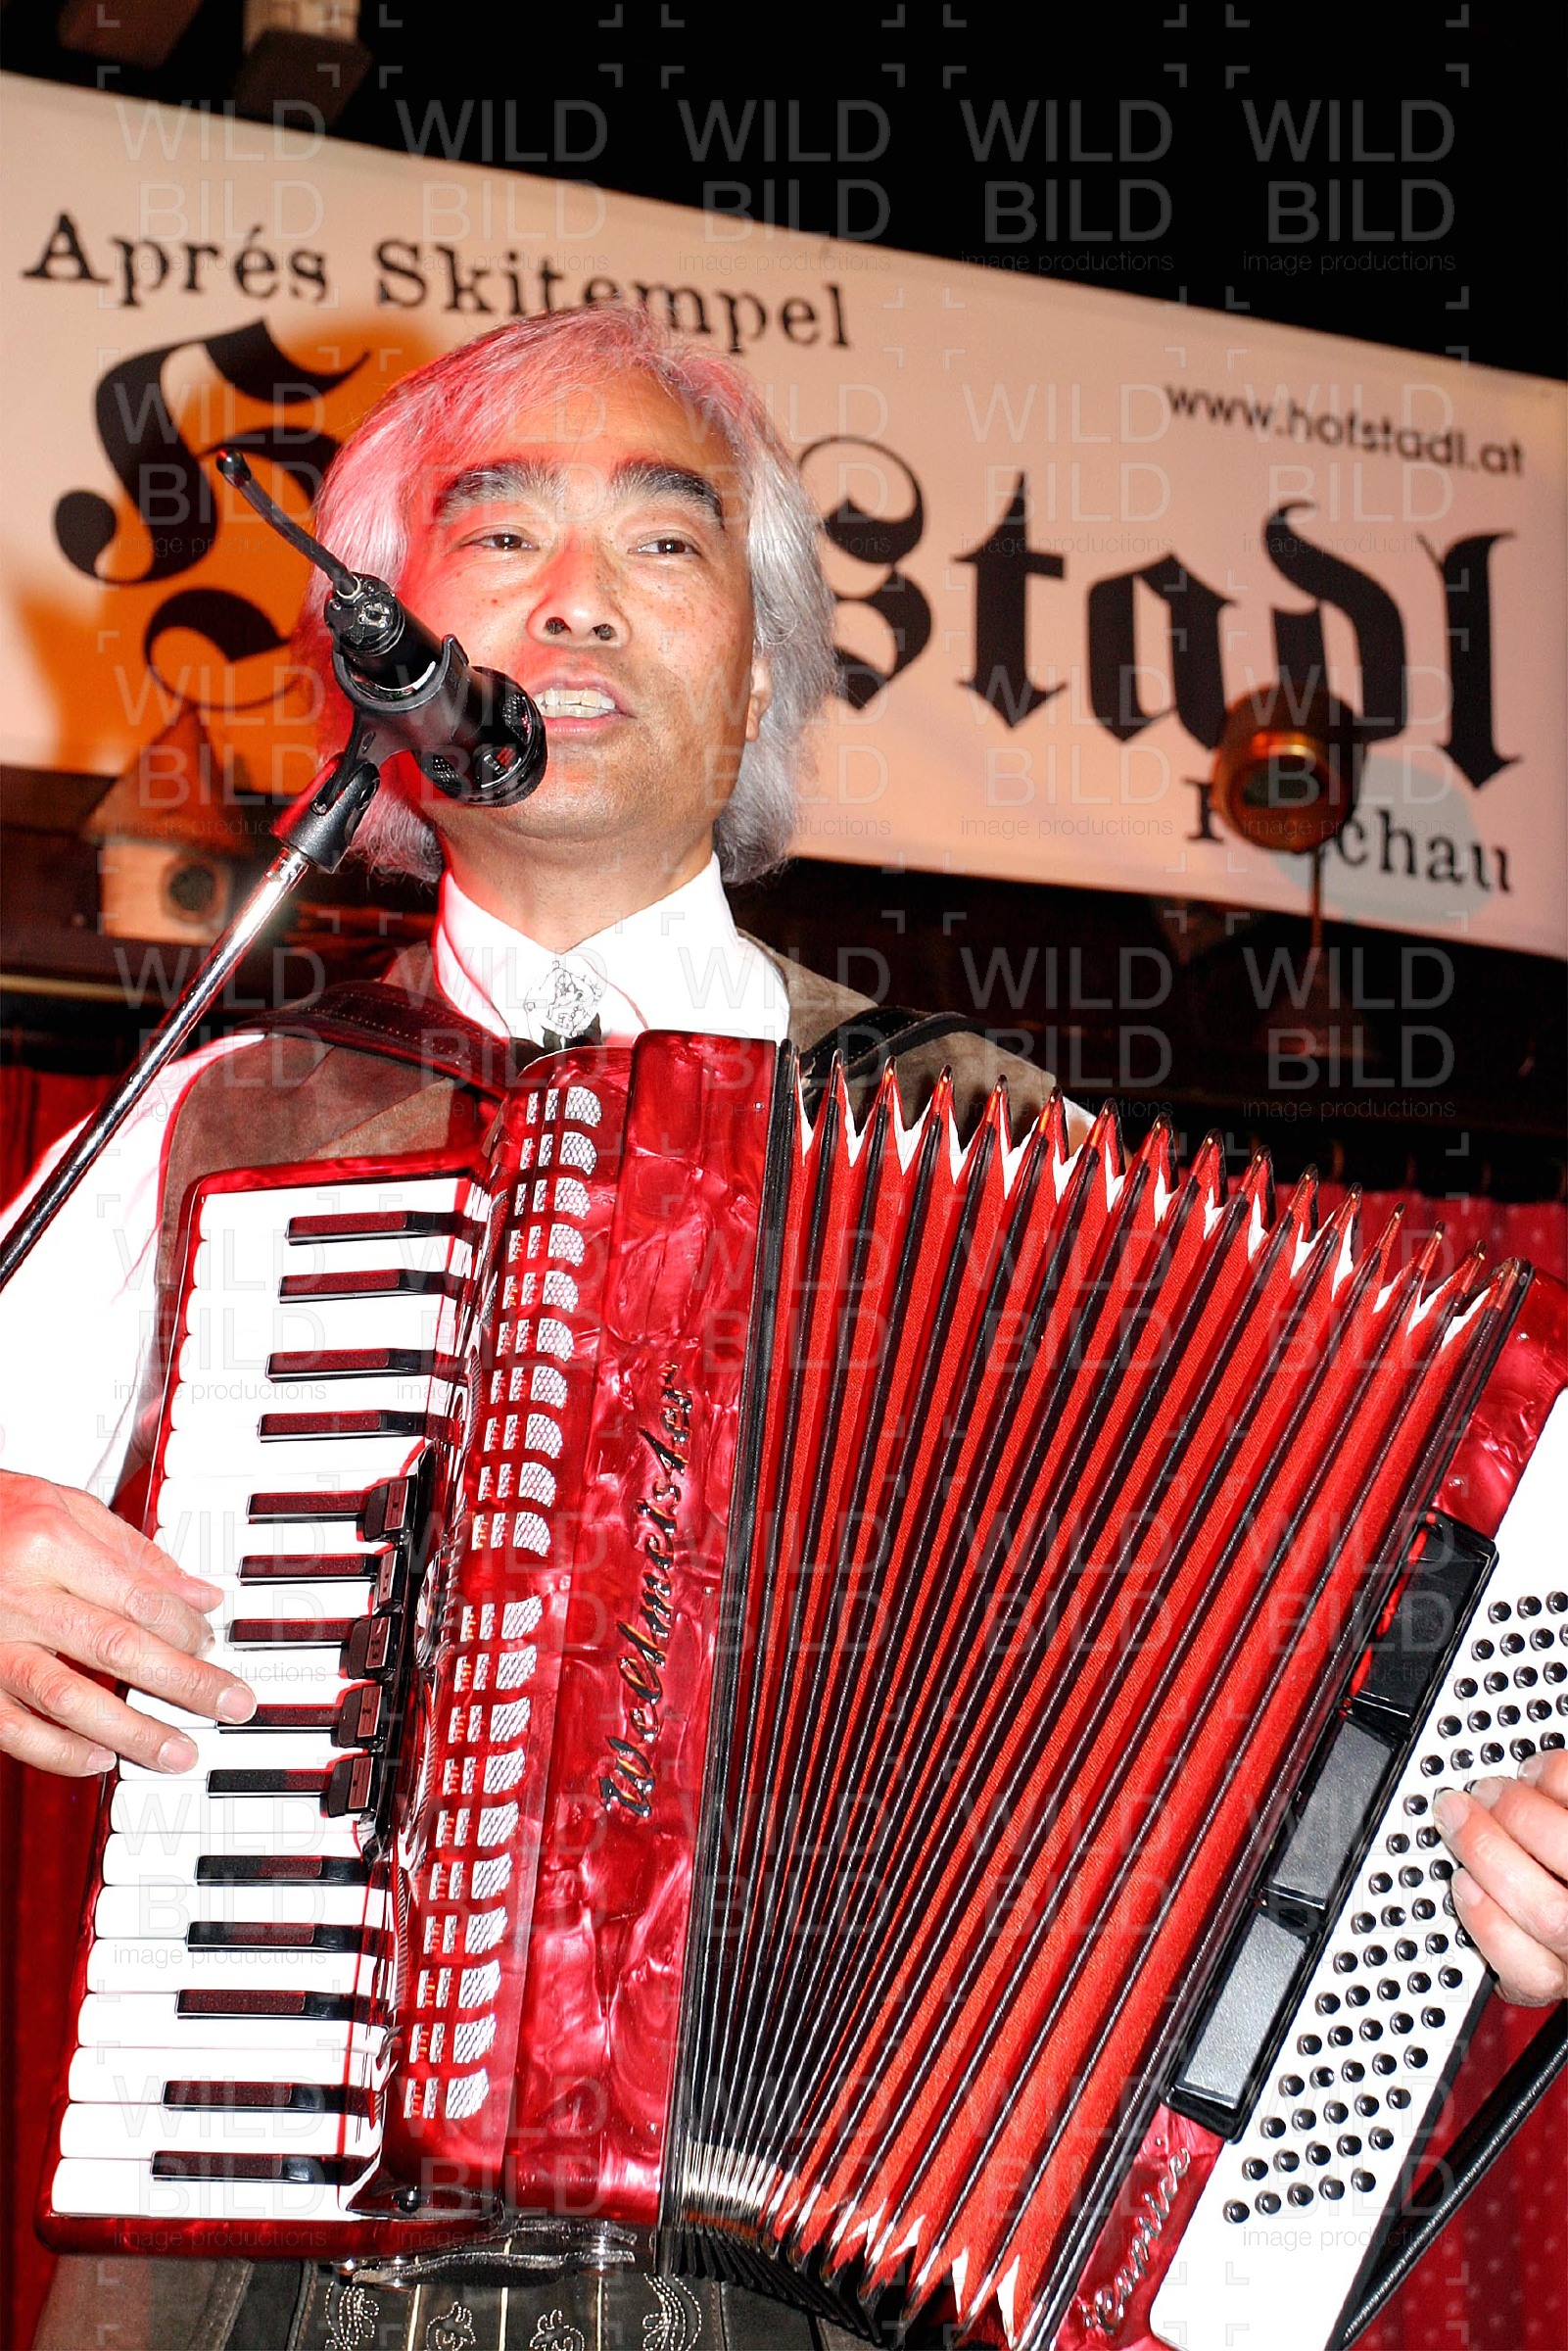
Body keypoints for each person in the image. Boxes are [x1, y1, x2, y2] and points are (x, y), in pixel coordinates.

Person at [2, 306, 1563, 2351]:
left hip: (815, 2293)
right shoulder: (219, 1116)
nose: (576, 600)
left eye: (664, 545)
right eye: (500, 538)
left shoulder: (990, 1148)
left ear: (753, 684)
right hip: (269, 2281)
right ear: (382, 661)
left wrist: (1485, 1850)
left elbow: (1304, 1714)